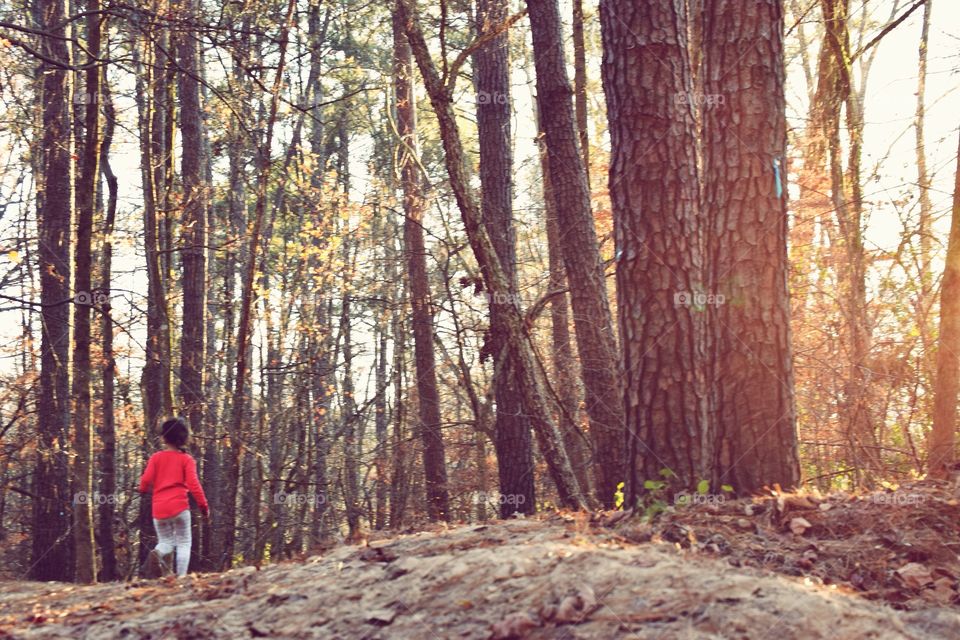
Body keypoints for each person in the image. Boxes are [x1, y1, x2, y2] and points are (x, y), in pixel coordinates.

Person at [138, 416, 210, 577]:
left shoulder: (156, 458)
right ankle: (181, 578)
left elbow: (146, 480)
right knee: (184, 542)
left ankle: (158, 552)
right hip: (180, 508)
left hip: (159, 509)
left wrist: (142, 490)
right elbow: (194, 485)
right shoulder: (187, 460)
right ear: (184, 439)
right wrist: (203, 506)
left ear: (163, 437)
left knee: (165, 542)